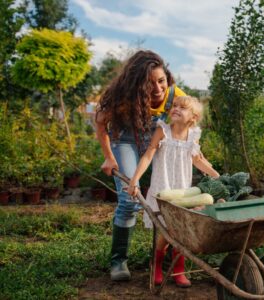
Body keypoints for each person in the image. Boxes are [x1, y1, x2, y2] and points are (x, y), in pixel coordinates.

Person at [95, 50, 187, 282]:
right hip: (125, 140)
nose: (157, 89)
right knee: (129, 200)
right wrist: (108, 156)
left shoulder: (176, 96)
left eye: (161, 81)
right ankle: (118, 261)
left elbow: (188, 122)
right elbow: (100, 122)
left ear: (167, 77)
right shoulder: (123, 97)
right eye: (149, 83)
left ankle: (163, 258)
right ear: (137, 83)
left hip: (155, 141)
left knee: (171, 197)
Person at [127, 95, 220, 287]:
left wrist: (216, 175)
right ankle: (157, 265)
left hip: (182, 192)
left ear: (193, 118)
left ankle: (179, 271)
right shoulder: (163, 131)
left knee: (181, 230)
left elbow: (197, 160)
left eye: (182, 108)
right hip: (163, 189)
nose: (176, 108)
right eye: (175, 106)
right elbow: (148, 155)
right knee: (166, 232)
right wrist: (134, 180)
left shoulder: (193, 135)